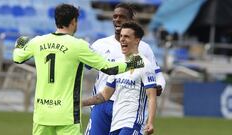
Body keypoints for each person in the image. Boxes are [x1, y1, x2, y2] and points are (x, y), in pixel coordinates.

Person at [13, 4, 145, 135]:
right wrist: (133, 63)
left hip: (42, 114)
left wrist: (20, 41)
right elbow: (110, 68)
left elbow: (17, 58)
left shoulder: (38, 42)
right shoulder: (79, 46)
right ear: (73, 22)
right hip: (67, 115)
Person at [85, 3, 165, 135]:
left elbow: (157, 75)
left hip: (127, 106)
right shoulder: (100, 45)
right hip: (102, 103)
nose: (117, 19)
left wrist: (159, 86)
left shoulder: (144, 49)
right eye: (115, 16)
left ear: (130, 20)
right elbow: (82, 67)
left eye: (122, 16)